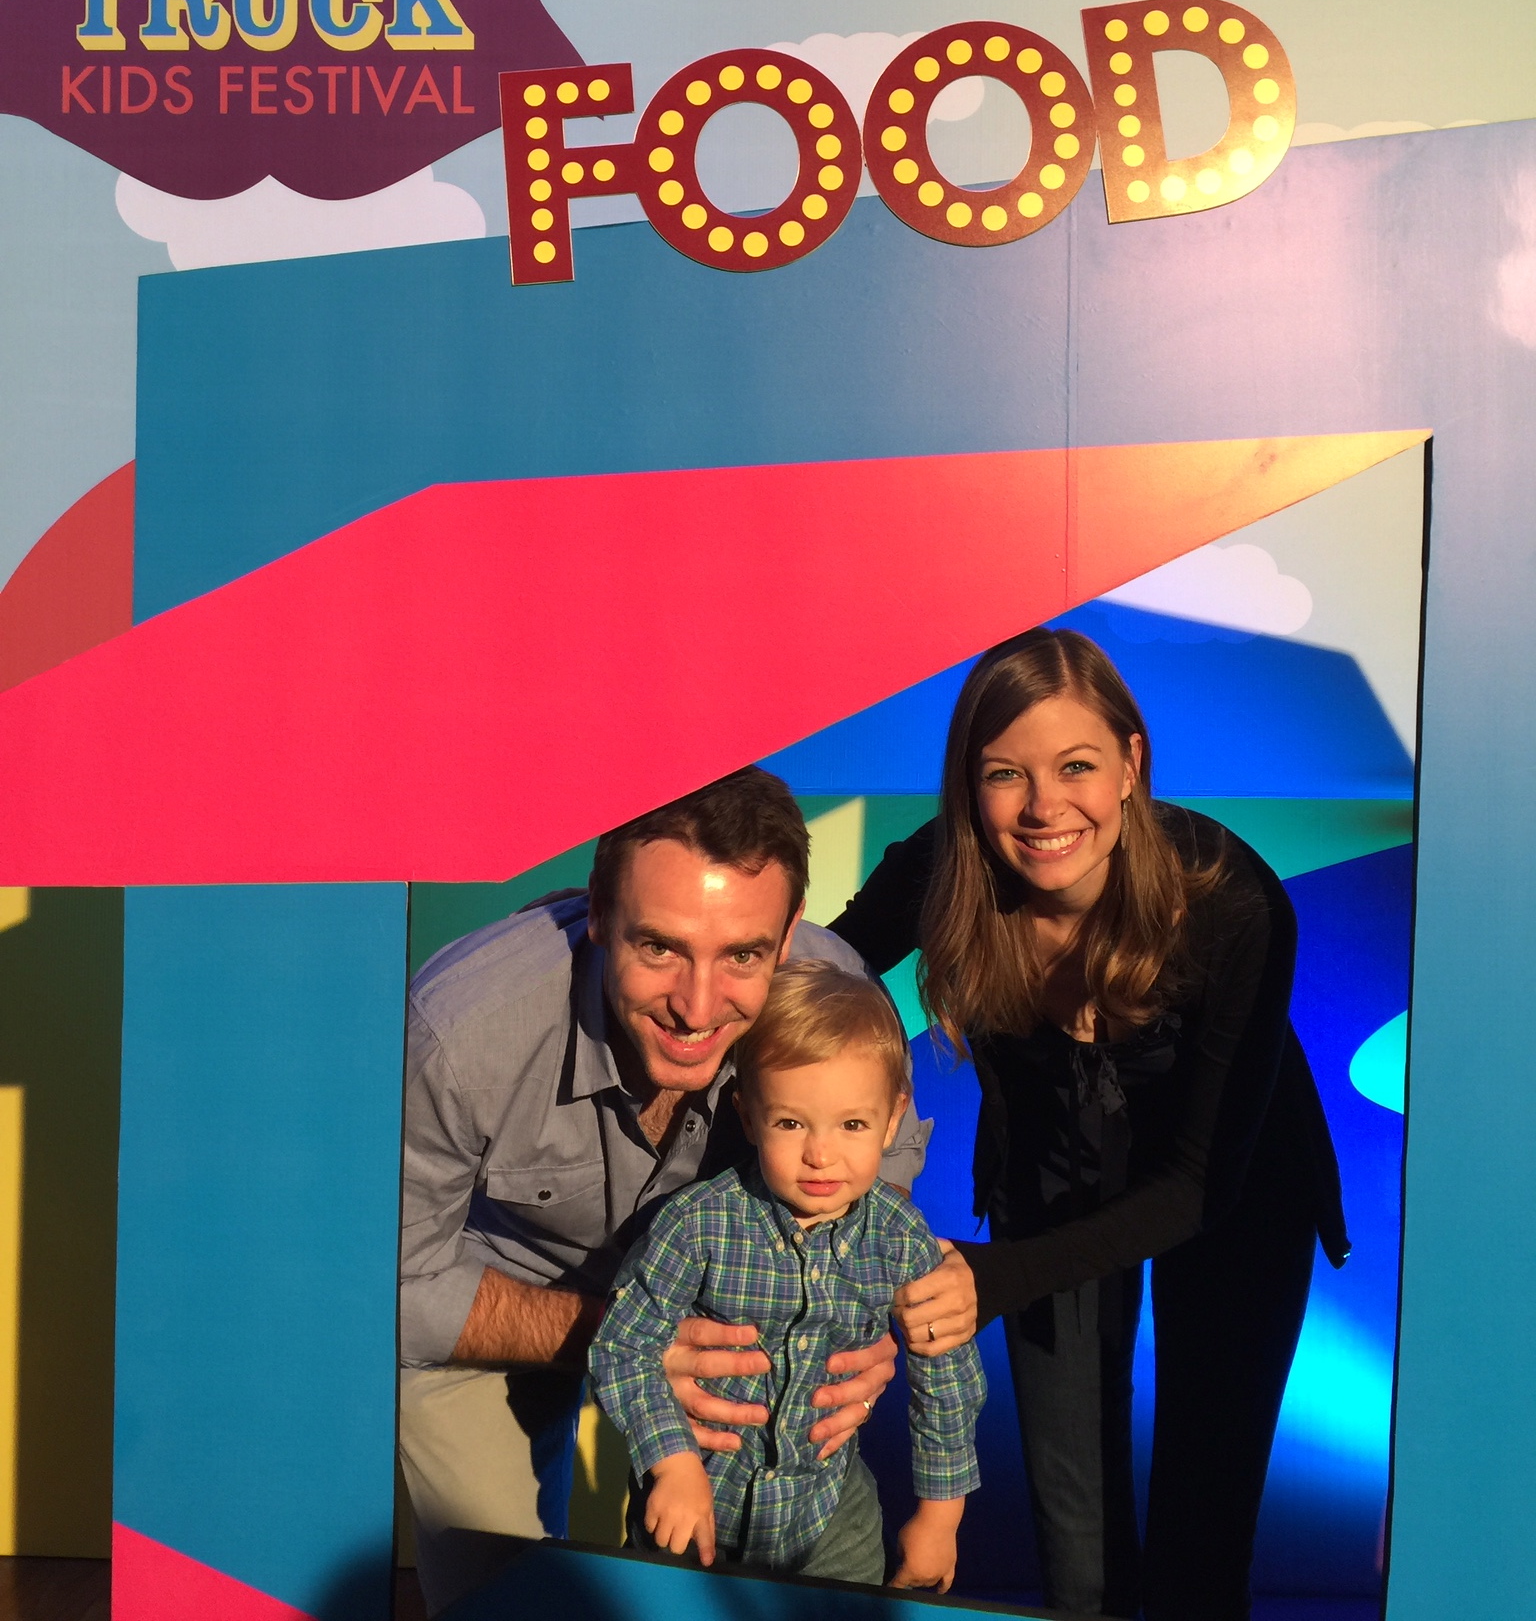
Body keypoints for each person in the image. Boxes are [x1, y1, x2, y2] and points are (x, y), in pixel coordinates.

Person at [837, 628, 1350, 1621]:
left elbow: (1199, 1184)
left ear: (1130, 763)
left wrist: (998, 1275)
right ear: (969, 784)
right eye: (1006, 774)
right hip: (1052, 1173)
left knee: (1203, 1544)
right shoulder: (945, 867)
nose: (1044, 807)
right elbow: (815, 979)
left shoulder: (1232, 900)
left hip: (1236, 1185)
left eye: (1076, 765)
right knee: (1079, 1555)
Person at [397, 767, 934, 1616]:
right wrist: (626, 1338)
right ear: (599, 911)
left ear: (789, 934)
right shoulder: (459, 1032)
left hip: (727, 1332)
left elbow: (877, 1192)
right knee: (496, 1599)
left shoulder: (839, 1001)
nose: (696, 1005)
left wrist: (871, 1314)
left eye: (743, 954)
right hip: (497, 1303)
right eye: (659, 947)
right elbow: (395, 1287)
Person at [591, 961, 986, 1589]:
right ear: (748, 1117)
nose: (820, 1155)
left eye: (852, 1124)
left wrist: (941, 1518)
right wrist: (671, 1463)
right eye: (791, 1123)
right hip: (697, 1503)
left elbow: (948, 1377)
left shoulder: (899, 1237)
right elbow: (623, 1344)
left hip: (828, 1518)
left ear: (892, 1119)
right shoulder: (698, 1224)